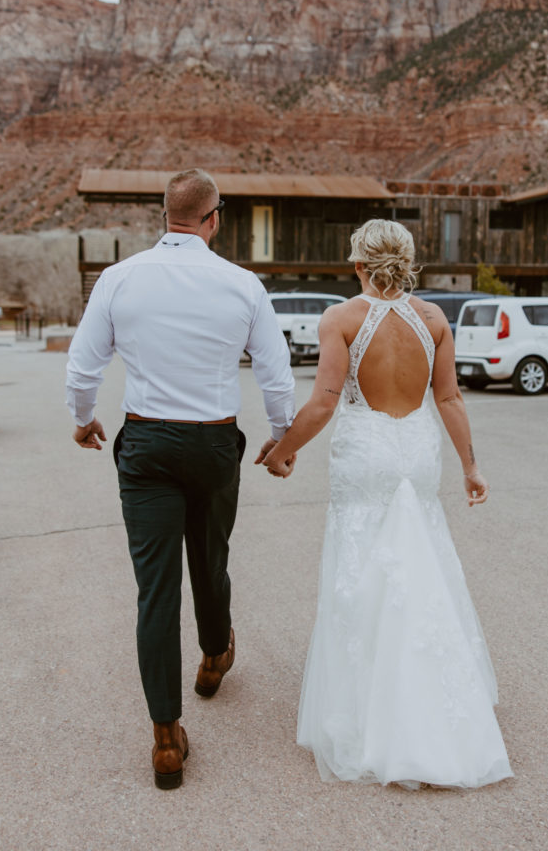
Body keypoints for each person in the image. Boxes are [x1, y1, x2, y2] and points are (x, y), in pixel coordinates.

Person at [260, 219, 513, 788]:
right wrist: (470, 467)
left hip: (367, 454)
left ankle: (367, 706)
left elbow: (326, 402)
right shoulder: (433, 319)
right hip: (417, 452)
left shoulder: (342, 318)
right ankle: (435, 695)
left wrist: (282, 449)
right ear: (407, 260)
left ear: (357, 264)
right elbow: (447, 396)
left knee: (361, 568)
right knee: (421, 559)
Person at [66, 169, 295, 789]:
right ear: (214, 218)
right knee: (210, 556)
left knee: (155, 588)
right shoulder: (243, 284)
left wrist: (84, 420)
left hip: (145, 443)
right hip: (214, 441)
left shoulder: (119, 279)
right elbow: (275, 372)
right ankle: (215, 655)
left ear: (162, 215)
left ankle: (166, 738)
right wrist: (282, 433)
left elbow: (83, 365)